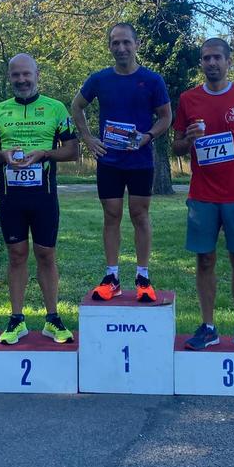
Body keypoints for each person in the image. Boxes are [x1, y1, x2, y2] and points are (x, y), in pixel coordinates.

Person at [172, 37, 234, 351]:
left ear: (228, 62)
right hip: (202, 196)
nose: (211, 63)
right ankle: (208, 327)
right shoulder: (188, 99)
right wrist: (187, 139)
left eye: (217, 58)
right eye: (206, 58)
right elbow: (176, 147)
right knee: (205, 260)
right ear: (201, 62)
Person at [0, 53, 78, 345]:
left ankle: (52, 319)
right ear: (9, 77)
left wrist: (45, 153)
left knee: (46, 254)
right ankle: (16, 319)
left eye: (26, 74)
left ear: (37, 75)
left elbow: (72, 151)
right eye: (16, 75)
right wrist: (3, 155)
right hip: (10, 197)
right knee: (16, 255)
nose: (21, 80)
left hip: (43, 196)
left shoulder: (55, 108)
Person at [71, 22, 172, 302]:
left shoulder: (152, 80)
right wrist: (88, 138)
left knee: (140, 215)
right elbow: (77, 106)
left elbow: (166, 117)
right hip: (110, 160)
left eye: (126, 42)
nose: (121, 48)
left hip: (140, 160)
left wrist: (148, 136)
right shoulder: (99, 79)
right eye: (115, 43)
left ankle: (143, 277)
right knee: (112, 215)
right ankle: (112, 277)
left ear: (137, 45)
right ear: (109, 47)